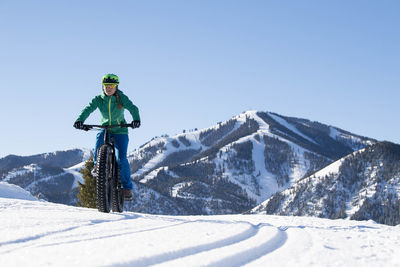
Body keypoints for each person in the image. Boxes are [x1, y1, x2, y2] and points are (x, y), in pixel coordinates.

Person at [73, 73, 141, 200]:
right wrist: (79, 120)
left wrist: (136, 119)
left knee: (121, 158)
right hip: (105, 128)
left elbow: (133, 108)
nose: (108, 88)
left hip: (120, 130)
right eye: (106, 86)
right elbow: (87, 109)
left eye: (111, 86)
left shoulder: (121, 98)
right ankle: (97, 166)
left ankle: (127, 188)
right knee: (99, 140)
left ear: (116, 87)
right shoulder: (99, 99)